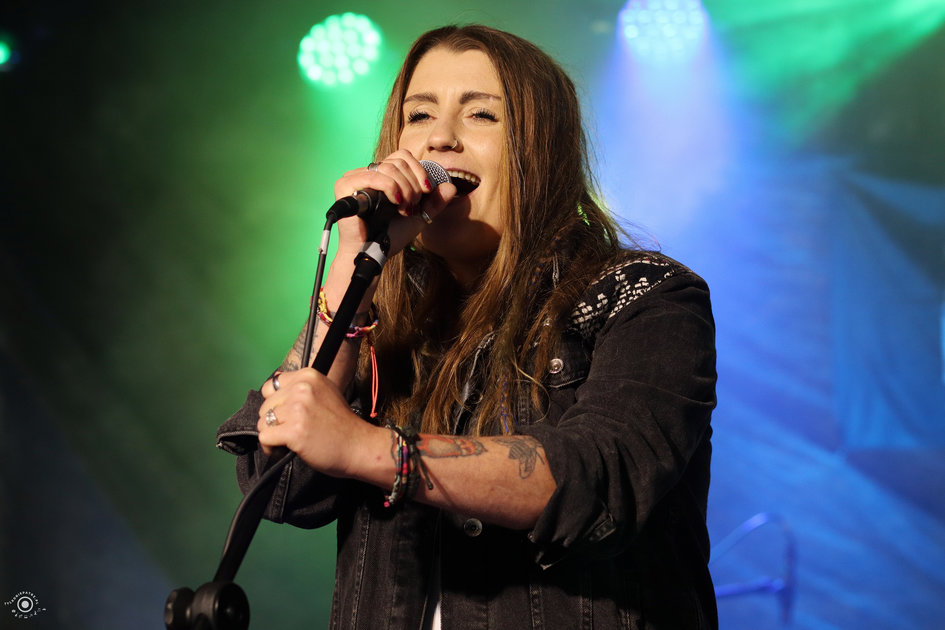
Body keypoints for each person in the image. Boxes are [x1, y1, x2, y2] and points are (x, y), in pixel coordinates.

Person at [217, 24, 717, 629]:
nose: (440, 138)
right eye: (419, 115)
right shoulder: (385, 319)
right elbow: (280, 482)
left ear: (543, 152)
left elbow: (599, 481)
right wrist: (353, 263)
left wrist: (370, 450)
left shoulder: (644, 295)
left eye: (481, 115)